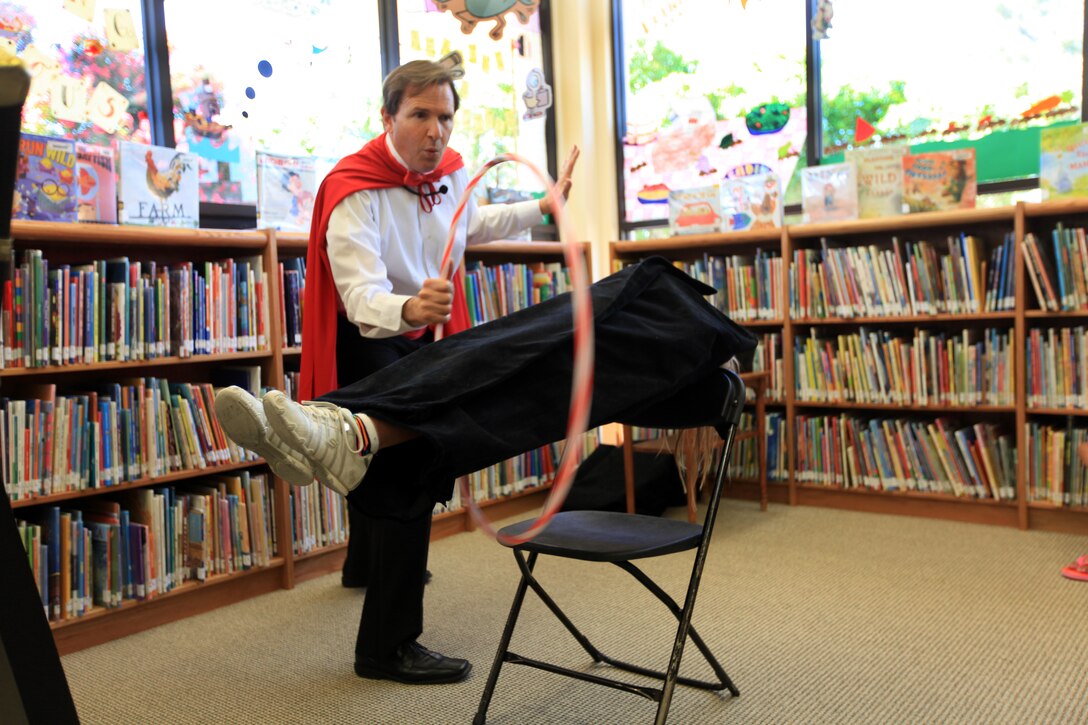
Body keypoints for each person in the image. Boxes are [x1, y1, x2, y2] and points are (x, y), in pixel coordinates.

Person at [215, 255, 759, 684]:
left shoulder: (688, 329)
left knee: (509, 363)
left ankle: (349, 432)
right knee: (491, 353)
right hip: (646, 311)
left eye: (442, 118)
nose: (436, 133)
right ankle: (338, 429)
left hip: (679, 324)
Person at [232, 53, 578, 684]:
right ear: (387, 116)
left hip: (420, 335)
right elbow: (361, 298)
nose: (435, 131)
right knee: (409, 474)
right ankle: (387, 648)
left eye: (444, 117)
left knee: (385, 465)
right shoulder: (352, 189)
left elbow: (475, 222)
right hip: (368, 340)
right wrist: (411, 303)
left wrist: (543, 206)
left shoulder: (449, 175)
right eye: (420, 115)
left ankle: (364, 563)